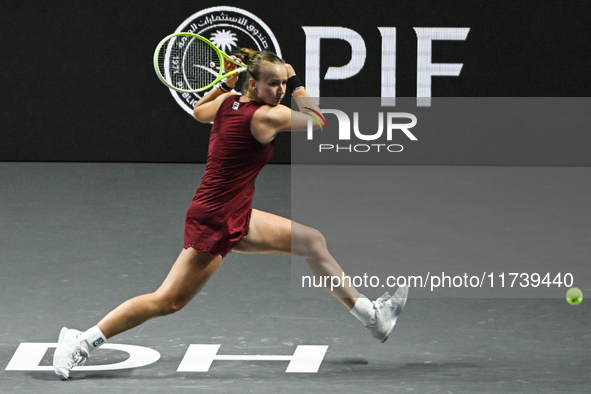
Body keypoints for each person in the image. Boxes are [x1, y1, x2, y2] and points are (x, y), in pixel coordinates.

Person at [53, 48, 408, 380]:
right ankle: (81, 341)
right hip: (217, 218)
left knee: (311, 242)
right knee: (167, 301)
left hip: (234, 211)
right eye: (274, 83)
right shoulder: (268, 116)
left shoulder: (227, 101)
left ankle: (372, 318)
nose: (281, 89)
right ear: (253, 84)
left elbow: (198, 112)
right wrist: (300, 82)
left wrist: (224, 81)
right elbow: (318, 121)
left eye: (283, 83)